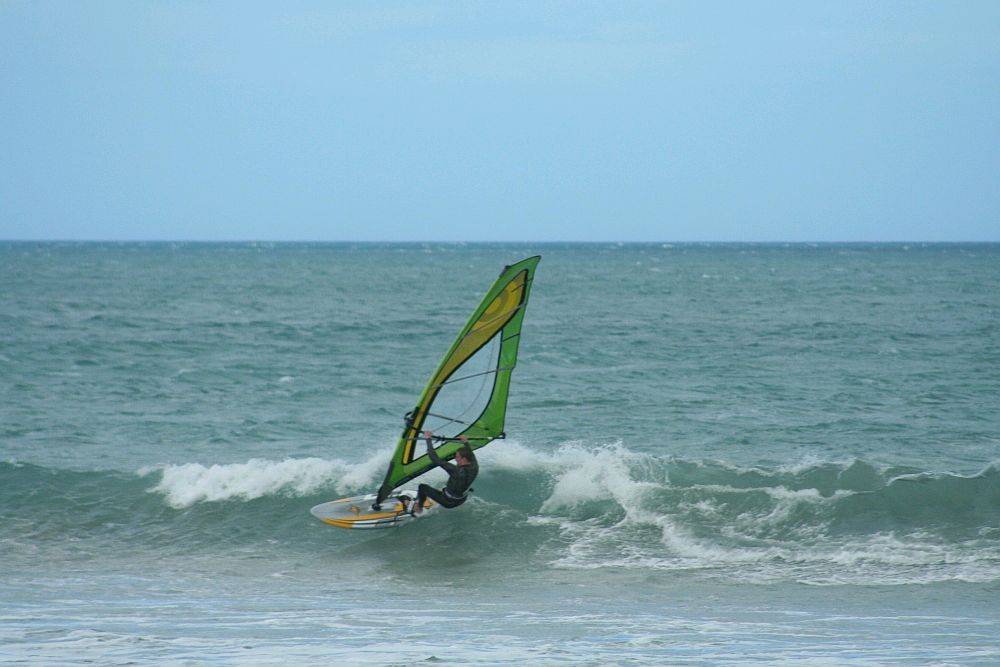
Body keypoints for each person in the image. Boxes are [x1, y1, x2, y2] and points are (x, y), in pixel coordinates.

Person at [410, 430, 478, 515]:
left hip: (448, 502)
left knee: (422, 487)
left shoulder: (456, 471)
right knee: (452, 487)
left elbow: (435, 459)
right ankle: (446, 494)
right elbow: (470, 453)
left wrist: (428, 439)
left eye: (457, 457)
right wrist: (465, 441)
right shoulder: (475, 466)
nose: (455, 458)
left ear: (464, 459)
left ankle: (419, 508)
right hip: (462, 499)